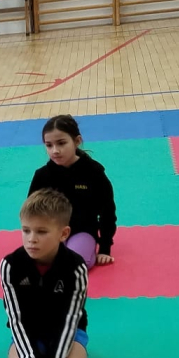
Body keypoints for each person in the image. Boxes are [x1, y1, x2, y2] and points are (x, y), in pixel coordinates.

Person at [1, 188, 90, 358]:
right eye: (26, 230)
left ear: (63, 234)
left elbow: (70, 320)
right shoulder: (10, 265)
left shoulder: (76, 268)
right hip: (29, 331)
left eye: (41, 232)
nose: (31, 239)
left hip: (67, 332)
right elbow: (16, 319)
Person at [28, 114, 117, 268]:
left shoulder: (94, 173)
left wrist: (104, 248)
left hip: (82, 231)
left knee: (74, 264)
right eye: (49, 145)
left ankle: (85, 250)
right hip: (52, 232)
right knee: (40, 261)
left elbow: (107, 212)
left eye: (61, 143)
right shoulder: (42, 175)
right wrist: (34, 238)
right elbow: (31, 213)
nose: (55, 150)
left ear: (77, 141)